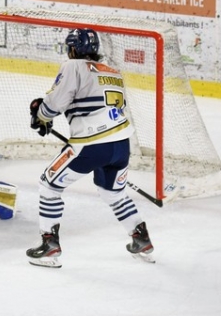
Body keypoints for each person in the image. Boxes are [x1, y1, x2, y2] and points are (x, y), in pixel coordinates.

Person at [25, 28, 154, 268]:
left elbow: (56, 103)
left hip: (92, 143)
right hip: (121, 145)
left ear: (73, 49)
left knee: (49, 185)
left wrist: (41, 115)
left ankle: (49, 244)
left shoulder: (73, 66)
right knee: (113, 193)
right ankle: (141, 237)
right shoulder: (112, 71)